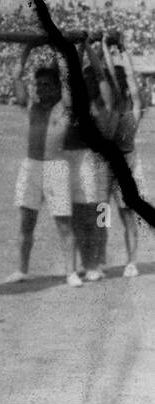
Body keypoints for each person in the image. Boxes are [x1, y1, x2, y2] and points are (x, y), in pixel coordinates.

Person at [9, 45, 78, 285]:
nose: (42, 89)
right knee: (26, 222)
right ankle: (21, 270)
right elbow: (17, 76)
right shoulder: (31, 107)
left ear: (58, 88)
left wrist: (61, 53)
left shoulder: (64, 108)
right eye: (39, 85)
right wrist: (27, 48)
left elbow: (70, 81)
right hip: (31, 167)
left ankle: (71, 272)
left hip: (55, 167)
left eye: (48, 85)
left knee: (63, 223)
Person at [69, 41, 116, 282]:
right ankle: (89, 262)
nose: (87, 82)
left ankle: (97, 261)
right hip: (81, 162)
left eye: (91, 80)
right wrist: (78, 51)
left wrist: (87, 47)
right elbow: (73, 75)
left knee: (100, 214)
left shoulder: (104, 104)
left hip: (99, 163)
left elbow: (99, 74)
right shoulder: (80, 104)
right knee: (83, 215)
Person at [103, 44, 145, 277]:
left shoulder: (135, 106)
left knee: (127, 214)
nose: (119, 84)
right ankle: (100, 258)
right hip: (106, 164)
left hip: (127, 163)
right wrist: (103, 47)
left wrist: (123, 50)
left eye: (122, 81)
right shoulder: (111, 106)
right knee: (102, 213)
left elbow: (129, 77)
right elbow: (107, 74)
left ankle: (131, 261)